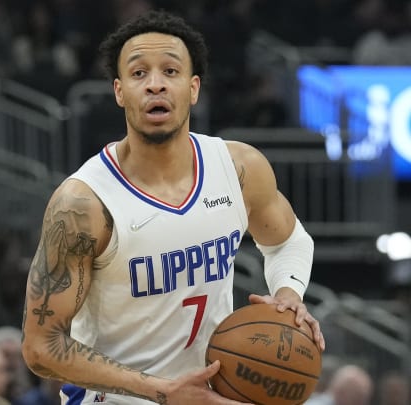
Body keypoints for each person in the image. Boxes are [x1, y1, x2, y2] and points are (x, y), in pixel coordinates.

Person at [20, 10, 325, 405]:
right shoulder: (83, 204)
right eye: (138, 73)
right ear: (118, 91)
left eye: (170, 71)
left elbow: (288, 241)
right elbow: (40, 346)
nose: (155, 85)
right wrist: (163, 392)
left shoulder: (238, 168)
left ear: (193, 88)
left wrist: (289, 293)